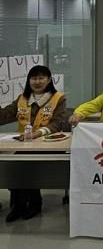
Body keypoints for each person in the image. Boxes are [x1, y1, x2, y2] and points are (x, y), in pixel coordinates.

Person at [0, 65, 67, 222]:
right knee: (13, 165)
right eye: (34, 78)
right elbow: (5, 115)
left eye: (41, 78)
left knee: (27, 165)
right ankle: (18, 205)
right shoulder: (22, 98)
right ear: (29, 80)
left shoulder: (58, 98)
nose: (37, 82)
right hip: (23, 144)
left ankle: (35, 203)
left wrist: (37, 133)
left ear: (49, 80)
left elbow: (57, 123)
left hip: (48, 144)